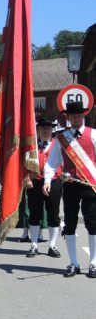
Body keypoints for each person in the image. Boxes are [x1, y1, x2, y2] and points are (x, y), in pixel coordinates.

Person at [43, 101, 96, 278]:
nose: (76, 118)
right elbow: (52, 162)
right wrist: (47, 180)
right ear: (68, 117)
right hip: (71, 186)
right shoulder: (61, 138)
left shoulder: (93, 134)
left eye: (79, 115)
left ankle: (93, 264)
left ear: (83, 116)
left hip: (90, 186)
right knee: (71, 223)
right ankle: (74, 263)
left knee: (93, 224)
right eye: (73, 116)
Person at [25, 117, 62, 259]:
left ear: (52, 130)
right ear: (38, 130)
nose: (46, 131)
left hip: (54, 182)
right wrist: (27, 178)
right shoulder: (32, 146)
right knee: (35, 213)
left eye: (48, 129)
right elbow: (25, 163)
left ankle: (52, 246)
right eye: (42, 129)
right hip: (35, 182)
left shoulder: (57, 144)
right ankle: (34, 245)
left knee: (53, 214)